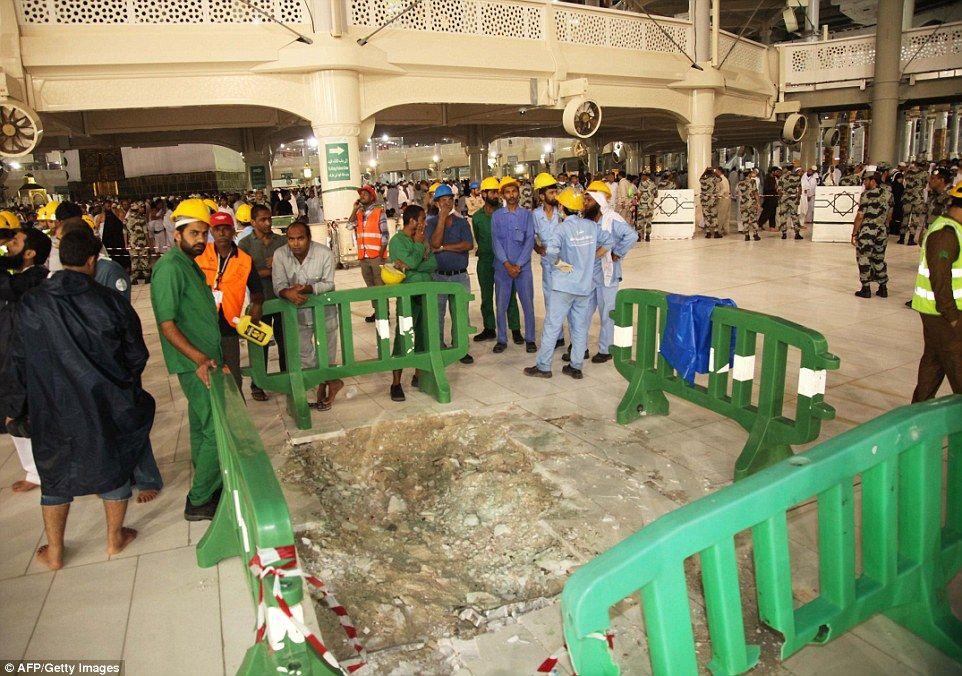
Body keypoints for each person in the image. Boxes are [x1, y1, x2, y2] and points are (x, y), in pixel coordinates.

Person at [4, 228, 155, 569]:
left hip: (51, 403)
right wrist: (123, 386)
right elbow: (136, 355)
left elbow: (17, 359)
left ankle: (55, 551)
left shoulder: (32, 301)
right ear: (91, 260)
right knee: (113, 463)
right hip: (106, 400)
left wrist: (15, 407)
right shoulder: (110, 301)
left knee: (55, 473)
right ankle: (114, 538)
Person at [150, 199, 224, 521]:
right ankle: (199, 499)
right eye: (194, 233)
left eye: (203, 234)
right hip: (194, 363)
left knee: (200, 424)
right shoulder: (169, 268)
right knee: (215, 429)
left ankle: (207, 482)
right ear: (176, 232)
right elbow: (167, 324)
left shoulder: (188, 262)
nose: (201, 240)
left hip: (204, 359)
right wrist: (199, 359)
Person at [524, 187, 612, 379]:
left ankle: (544, 366)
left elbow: (551, 254)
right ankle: (576, 366)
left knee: (552, 325)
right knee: (580, 327)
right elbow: (609, 242)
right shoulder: (591, 226)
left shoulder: (561, 229)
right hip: (583, 287)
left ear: (562, 207)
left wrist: (562, 266)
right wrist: (590, 260)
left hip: (563, 286)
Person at [272, 221, 343, 410]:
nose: (295, 243)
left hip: (324, 312)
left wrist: (310, 288)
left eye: (300, 238)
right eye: (291, 239)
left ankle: (325, 387)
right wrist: (287, 293)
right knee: (305, 356)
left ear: (309, 238)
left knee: (327, 355)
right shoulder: (280, 254)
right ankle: (329, 382)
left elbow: (329, 283)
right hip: (297, 316)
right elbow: (278, 284)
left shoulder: (324, 253)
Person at [0, 227, 51, 493]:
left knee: (24, 416)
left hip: (29, 363)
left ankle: (41, 472)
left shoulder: (34, 278)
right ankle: (34, 472)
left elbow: (5, 288)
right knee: (14, 415)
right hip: (13, 360)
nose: (8, 245)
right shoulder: (21, 275)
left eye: (15, 241)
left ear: (29, 253)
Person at [196, 211, 264, 393]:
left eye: (226, 229)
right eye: (217, 229)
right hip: (204, 323)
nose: (222, 233)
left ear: (233, 231)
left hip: (228, 324)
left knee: (233, 375)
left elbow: (257, 289)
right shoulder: (200, 255)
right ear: (212, 231)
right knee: (208, 374)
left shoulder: (244, 260)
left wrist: (257, 304)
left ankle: (237, 415)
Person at [910, 182, 962, 401]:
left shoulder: (954, 229)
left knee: (932, 367)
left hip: (939, 315)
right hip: (943, 315)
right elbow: (940, 278)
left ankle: (915, 420)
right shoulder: (946, 234)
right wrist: (952, 318)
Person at [388, 204, 438, 401]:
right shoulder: (397, 241)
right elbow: (412, 263)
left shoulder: (423, 240)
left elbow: (432, 264)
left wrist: (412, 264)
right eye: (422, 219)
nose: (425, 223)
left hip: (426, 293)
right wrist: (417, 250)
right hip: (408, 297)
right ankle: (395, 383)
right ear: (412, 221)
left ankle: (419, 375)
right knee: (403, 336)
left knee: (425, 335)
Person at [583, 182, 638, 363]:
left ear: (598, 201)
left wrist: (618, 252)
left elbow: (631, 236)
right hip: (590, 272)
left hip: (608, 273)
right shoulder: (587, 220)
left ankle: (606, 350)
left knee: (607, 312)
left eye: (588, 200)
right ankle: (579, 347)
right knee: (583, 311)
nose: (585, 203)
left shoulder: (612, 219)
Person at [238, 203, 288, 401]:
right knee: (260, 342)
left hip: (282, 299)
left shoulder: (282, 241)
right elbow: (242, 274)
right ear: (253, 222)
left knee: (285, 341)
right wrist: (269, 271)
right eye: (263, 220)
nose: (268, 223)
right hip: (260, 302)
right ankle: (257, 383)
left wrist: (278, 265)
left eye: (269, 219)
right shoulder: (245, 245)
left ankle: (287, 378)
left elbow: (291, 267)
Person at [425, 184, 475, 365]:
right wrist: (441, 219)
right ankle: (438, 347)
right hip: (439, 275)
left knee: (461, 312)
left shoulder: (462, 222)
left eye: (449, 200)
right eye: (443, 200)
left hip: (460, 276)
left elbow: (467, 245)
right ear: (437, 203)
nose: (447, 203)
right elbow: (433, 244)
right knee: (437, 313)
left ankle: (461, 347)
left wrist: (445, 248)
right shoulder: (431, 223)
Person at [471, 177, 521, 344]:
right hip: (485, 260)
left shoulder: (506, 213)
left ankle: (515, 329)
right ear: (483, 194)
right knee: (486, 296)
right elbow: (478, 236)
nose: (495, 195)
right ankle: (489, 328)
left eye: (496, 192)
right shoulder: (477, 217)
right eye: (492, 192)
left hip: (504, 261)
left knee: (509, 296)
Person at [491, 176, 537, 354]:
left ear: (518, 194)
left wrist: (518, 264)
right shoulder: (497, 216)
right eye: (508, 192)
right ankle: (501, 339)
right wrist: (507, 264)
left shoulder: (526, 215)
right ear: (503, 195)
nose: (511, 195)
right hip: (503, 269)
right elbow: (496, 242)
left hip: (522, 269)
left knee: (528, 305)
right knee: (501, 305)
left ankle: (530, 339)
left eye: (514, 191)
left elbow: (529, 241)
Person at [531, 173, 566, 349]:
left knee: (567, 297)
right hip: (548, 263)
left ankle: (570, 336)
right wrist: (538, 249)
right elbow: (531, 237)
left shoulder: (563, 212)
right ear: (542, 196)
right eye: (551, 193)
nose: (555, 196)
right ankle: (557, 336)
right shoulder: (536, 215)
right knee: (551, 299)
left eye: (555, 192)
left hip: (564, 261)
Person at [348, 185, 389, 323]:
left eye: (365, 194)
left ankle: (384, 312)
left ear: (372, 197)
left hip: (376, 256)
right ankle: (377, 311)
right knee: (370, 286)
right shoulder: (359, 213)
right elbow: (349, 226)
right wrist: (354, 209)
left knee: (379, 286)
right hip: (364, 256)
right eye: (361, 194)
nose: (362, 196)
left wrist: (380, 255)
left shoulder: (379, 212)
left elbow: (385, 235)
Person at [851, 168, 889, 299]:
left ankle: (866, 288)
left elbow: (860, 216)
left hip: (868, 231)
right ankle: (883, 288)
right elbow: (890, 212)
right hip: (882, 231)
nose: (864, 182)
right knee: (879, 258)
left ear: (873, 181)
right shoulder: (886, 193)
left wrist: (854, 233)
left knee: (864, 257)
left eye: (866, 180)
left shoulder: (866, 195)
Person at [125, 201, 153, 284]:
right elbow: (145, 232)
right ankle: (147, 277)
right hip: (142, 243)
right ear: (137, 210)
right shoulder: (142, 219)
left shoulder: (126, 220)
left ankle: (134, 279)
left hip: (132, 243)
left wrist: (126, 244)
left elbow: (124, 232)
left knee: (134, 260)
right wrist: (149, 243)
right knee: (144, 259)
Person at [738, 170, 762, 241]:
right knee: (753, 219)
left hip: (743, 203)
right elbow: (755, 193)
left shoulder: (740, 183)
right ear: (749, 174)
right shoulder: (752, 182)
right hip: (751, 203)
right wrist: (758, 203)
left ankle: (746, 235)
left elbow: (738, 192)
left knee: (745, 220)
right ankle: (755, 234)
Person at [634, 171, 657, 242]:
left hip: (641, 206)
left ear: (646, 176)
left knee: (640, 220)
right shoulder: (653, 184)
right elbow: (656, 195)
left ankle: (639, 236)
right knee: (648, 221)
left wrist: (638, 198)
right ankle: (647, 236)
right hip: (650, 206)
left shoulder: (641, 183)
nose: (641, 177)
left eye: (642, 175)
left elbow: (638, 194)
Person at [699, 167, 721, 238]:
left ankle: (708, 232)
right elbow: (720, 179)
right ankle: (716, 232)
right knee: (714, 216)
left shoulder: (702, 179)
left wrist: (705, 171)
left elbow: (700, 178)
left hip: (704, 200)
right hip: (712, 200)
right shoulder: (714, 179)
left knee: (706, 216)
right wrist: (714, 172)